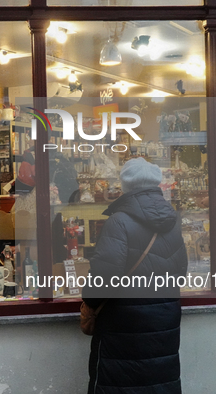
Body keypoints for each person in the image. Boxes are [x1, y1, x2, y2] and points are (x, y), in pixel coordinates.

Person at [81, 157, 188, 394]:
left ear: (125, 186)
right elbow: (181, 273)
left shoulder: (119, 221)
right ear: (157, 185)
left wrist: (88, 302)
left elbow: (104, 277)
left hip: (123, 323)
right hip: (164, 322)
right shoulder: (172, 222)